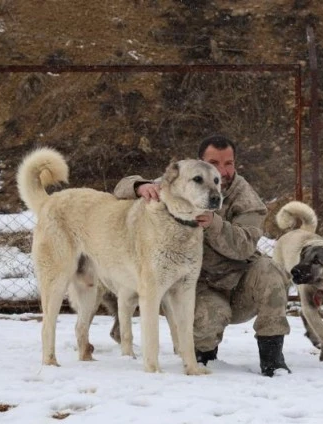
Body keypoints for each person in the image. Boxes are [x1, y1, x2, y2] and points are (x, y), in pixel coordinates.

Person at [111, 134, 292, 377]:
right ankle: (205, 352)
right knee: (204, 321)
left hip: (239, 283)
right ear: (200, 164)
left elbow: (246, 246)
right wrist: (140, 186)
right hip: (202, 287)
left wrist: (215, 224)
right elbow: (121, 186)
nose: (223, 171)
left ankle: (272, 357)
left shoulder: (245, 196)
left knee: (271, 272)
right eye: (214, 163)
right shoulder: (184, 179)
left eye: (229, 163)